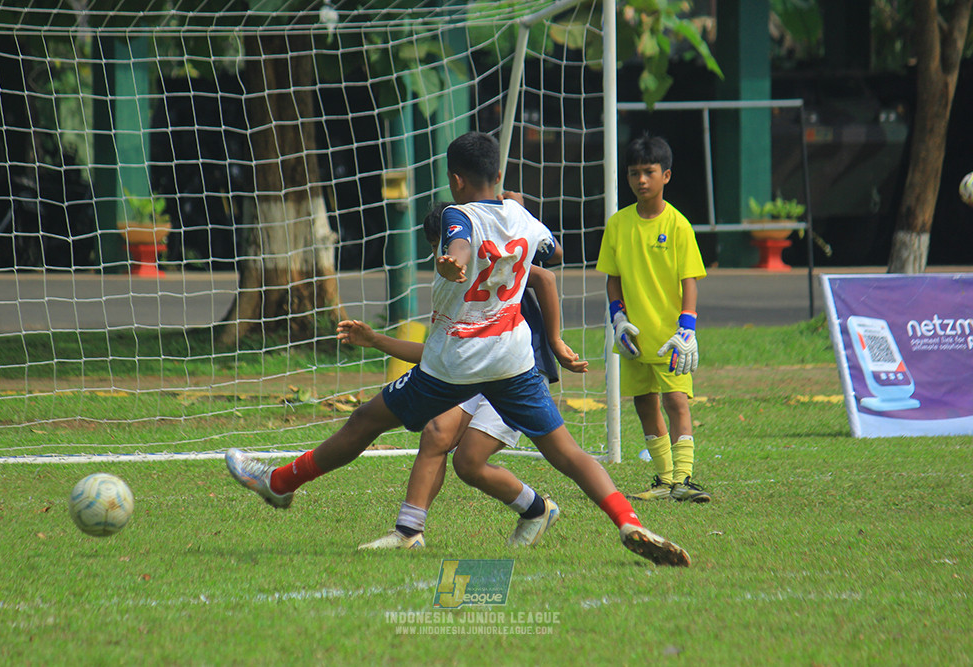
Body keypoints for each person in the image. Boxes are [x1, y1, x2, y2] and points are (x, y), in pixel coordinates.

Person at [225, 131, 690, 567]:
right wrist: (514, 228)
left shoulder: (455, 214)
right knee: (567, 452)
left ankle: (280, 483)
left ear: (456, 179)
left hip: (455, 364)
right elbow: (552, 254)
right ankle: (629, 521)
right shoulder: (521, 218)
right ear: (499, 177)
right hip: (512, 360)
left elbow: (461, 244)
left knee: (366, 421)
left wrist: (455, 262)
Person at [347, 199, 586, 550]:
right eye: (434, 248)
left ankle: (537, 509)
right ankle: (409, 532)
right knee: (436, 432)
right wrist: (376, 340)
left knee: (469, 462)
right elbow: (435, 353)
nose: (439, 254)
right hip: (470, 369)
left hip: (512, 368)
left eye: (440, 245)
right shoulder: (452, 281)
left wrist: (554, 340)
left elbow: (549, 271)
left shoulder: (493, 255)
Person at [596, 133, 710, 503]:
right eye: (633, 173)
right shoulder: (617, 225)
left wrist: (687, 328)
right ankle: (664, 479)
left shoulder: (678, 226)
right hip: (635, 336)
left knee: (676, 401)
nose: (641, 180)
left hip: (669, 337)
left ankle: (685, 478)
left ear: (667, 176)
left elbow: (688, 280)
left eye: (648, 172)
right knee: (643, 402)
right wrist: (618, 318)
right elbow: (613, 278)